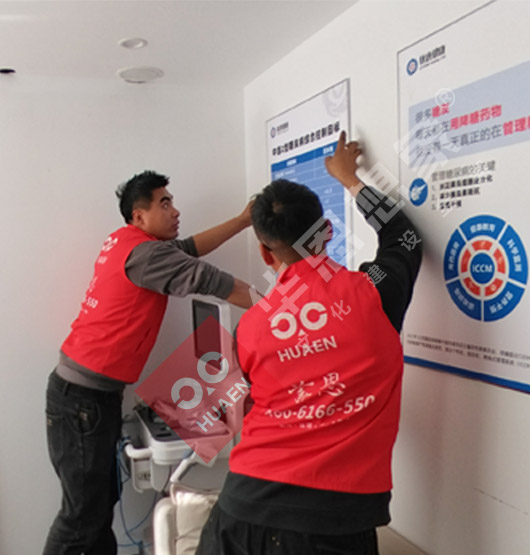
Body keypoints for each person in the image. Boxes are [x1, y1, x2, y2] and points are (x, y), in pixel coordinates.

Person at [196, 132, 423, 555]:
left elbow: (249, 406)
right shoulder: (374, 292)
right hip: (333, 524)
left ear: (265, 253)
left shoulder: (252, 325)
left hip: (241, 512)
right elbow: (404, 238)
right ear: (328, 232)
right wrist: (349, 178)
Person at [44, 170, 254, 555]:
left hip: (81, 394)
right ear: (139, 216)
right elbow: (215, 281)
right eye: (164, 203)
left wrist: (242, 221)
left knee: (96, 510)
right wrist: (283, 311)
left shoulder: (128, 242)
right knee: (80, 520)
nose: (175, 211)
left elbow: (188, 249)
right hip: (83, 401)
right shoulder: (148, 254)